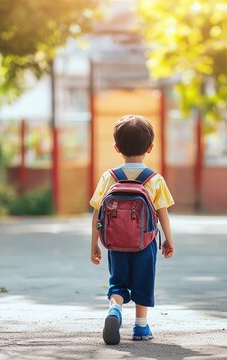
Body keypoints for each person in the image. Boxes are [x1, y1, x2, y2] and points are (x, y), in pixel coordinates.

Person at [89, 114, 175, 345]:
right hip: (145, 242)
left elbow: (97, 213)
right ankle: (140, 327)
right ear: (151, 147)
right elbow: (163, 213)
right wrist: (168, 239)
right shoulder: (154, 179)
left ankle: (115, 309)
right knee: (144, 281)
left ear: (116, 148)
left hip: (115, 243)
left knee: (117, 282)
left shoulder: (110, 177)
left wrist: (94, 245)